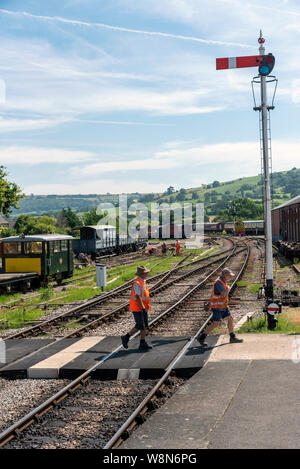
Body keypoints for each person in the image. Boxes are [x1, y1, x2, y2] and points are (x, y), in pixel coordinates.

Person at [198, 268, 243, 345]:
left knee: (230, 319)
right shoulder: (218, 283)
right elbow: (223, 294)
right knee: (215, 324)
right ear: (224, 275)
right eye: (229, 276)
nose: (230, 277)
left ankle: (232, 337)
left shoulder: (223, 282)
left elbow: (215, 295)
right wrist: (228, 289)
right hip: (217, 307)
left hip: (224, 306)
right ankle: (202, 337)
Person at [121, 265, 152, 351]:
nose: (147, 273)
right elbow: (138, 297)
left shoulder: (143, 281)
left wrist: (144, 308)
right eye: (146, 273)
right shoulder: (137, 283)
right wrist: (142, 308)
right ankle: (126, 337)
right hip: (138, 307)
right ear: (142, 274)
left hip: (143, 307)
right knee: (139, 325)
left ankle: (142, 343)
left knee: (144, 326)